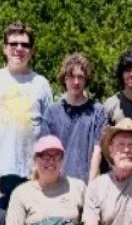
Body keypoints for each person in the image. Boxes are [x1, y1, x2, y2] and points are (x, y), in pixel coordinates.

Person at [0, 21, 54, 202]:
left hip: (29, 174)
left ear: (31, 51)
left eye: (25, 45)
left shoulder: (41, 83)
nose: (19, 48)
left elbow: (48, 132)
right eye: (13, 44)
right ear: (4, 48)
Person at [41, 53, 108, 183]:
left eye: (80, 77)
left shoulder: (98, 111)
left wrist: (91, 185)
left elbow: (97, 150)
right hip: (57, 182)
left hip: (86, 183)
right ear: (64, 79)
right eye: (71, 77)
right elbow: (46, 150)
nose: (76, 82)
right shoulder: (52, 112)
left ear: (86, 79)